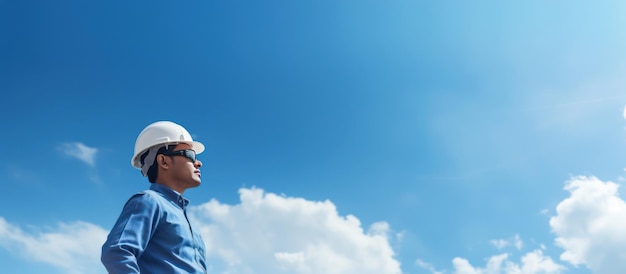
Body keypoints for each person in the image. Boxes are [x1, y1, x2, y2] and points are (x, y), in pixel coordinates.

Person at [101, 121, 208, 273]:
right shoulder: (149, 201)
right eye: (190, 155)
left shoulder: (186, 218)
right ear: (164, 161)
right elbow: (117, 252)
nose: (198, 163)